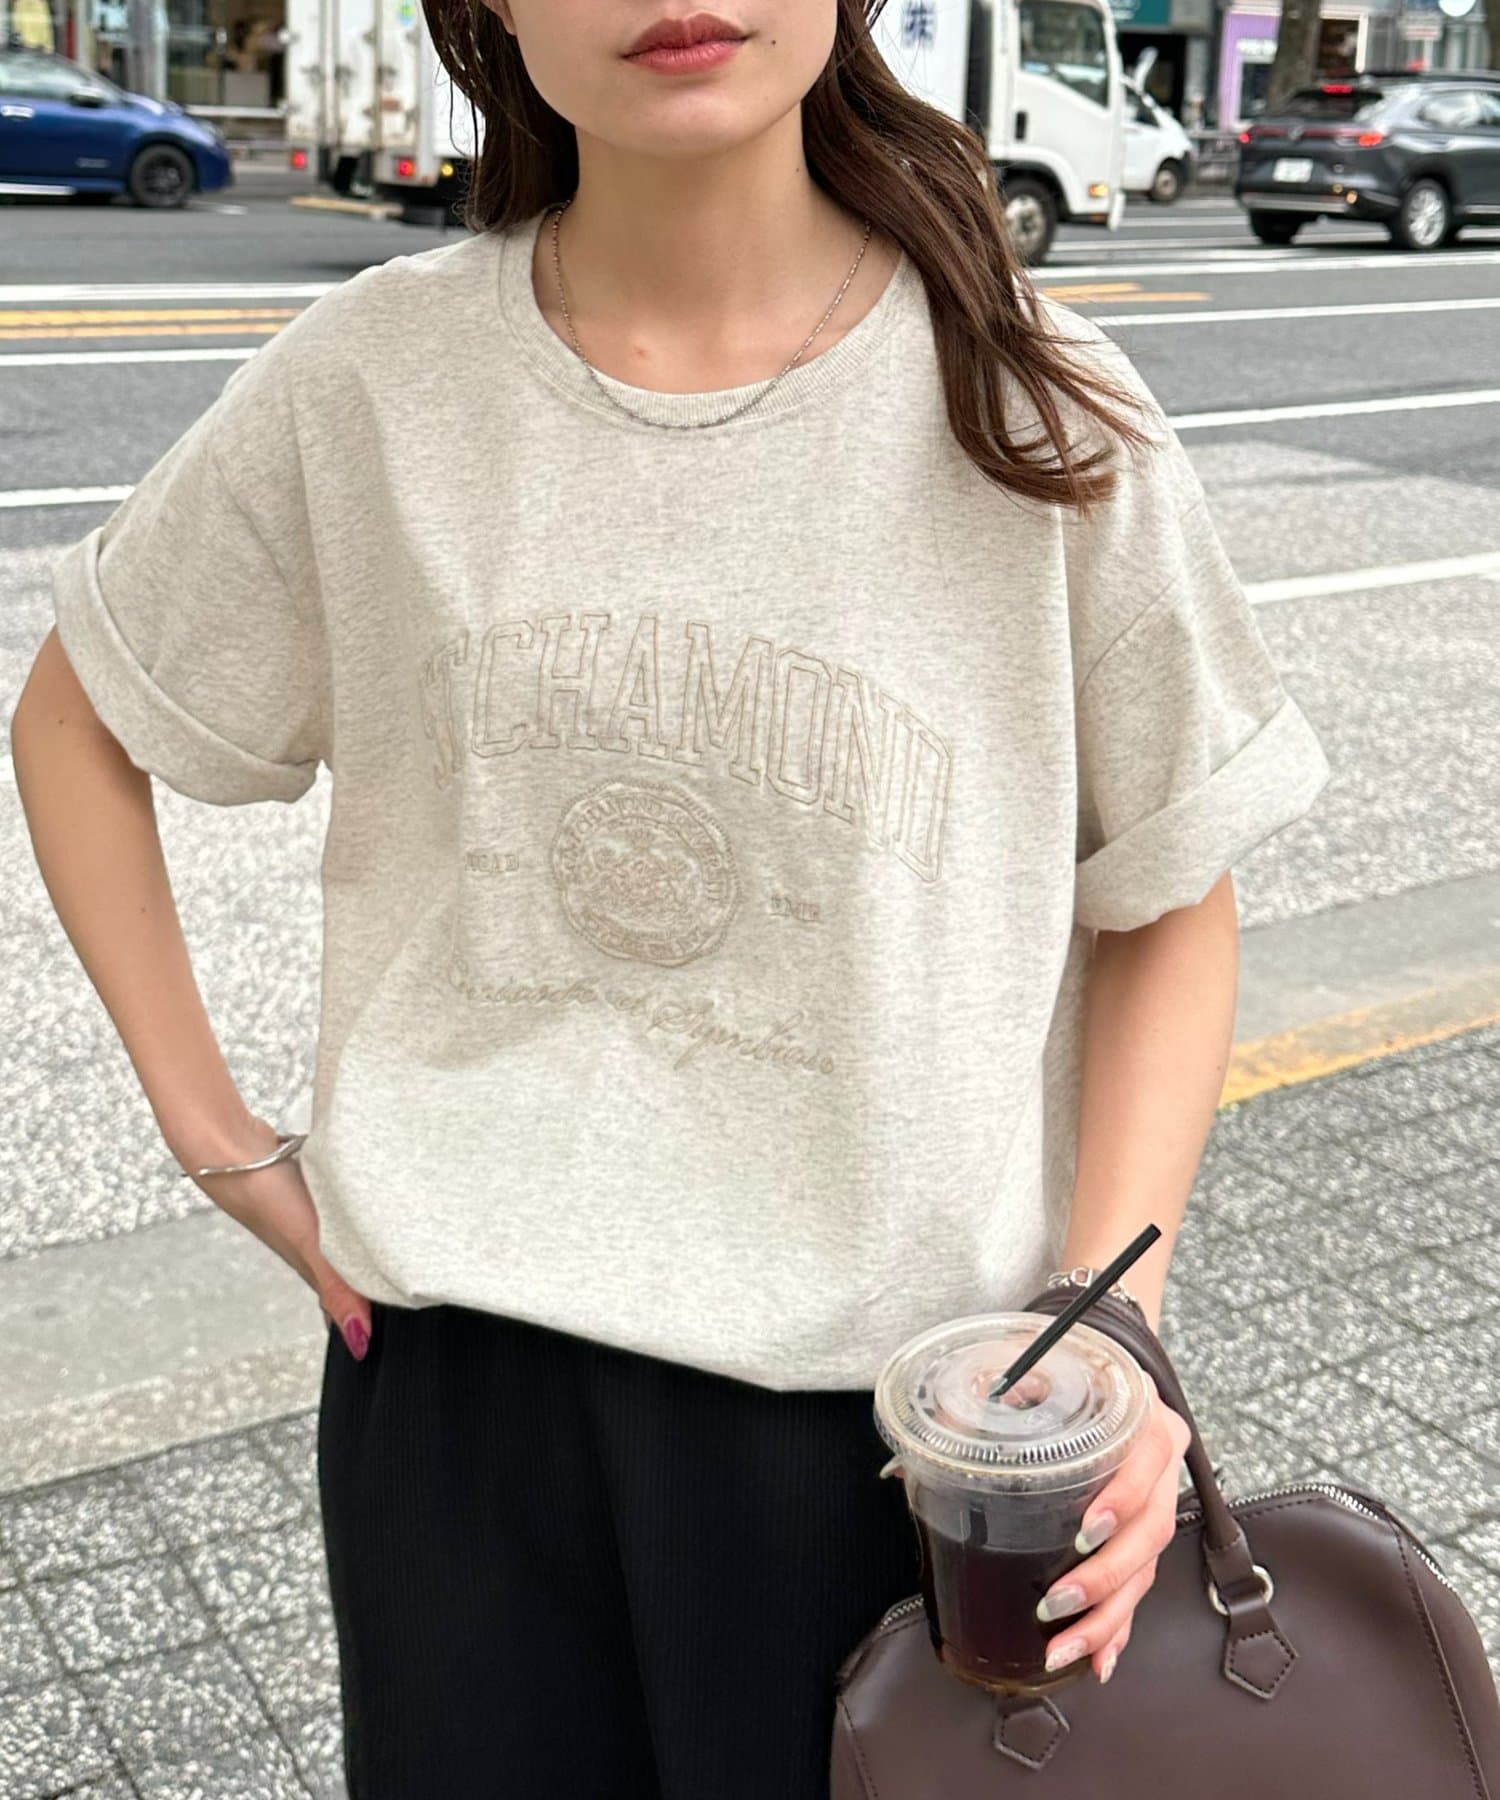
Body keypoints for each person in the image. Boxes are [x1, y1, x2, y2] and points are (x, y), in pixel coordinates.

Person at [12, 2, 1331, 1795]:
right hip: (459, 1411)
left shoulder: (1028, 397)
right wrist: (219, 1141)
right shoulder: (373, 378)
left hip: (906, 1430)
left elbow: (1168, 887)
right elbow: (78, 717)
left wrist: (1116, 1322)